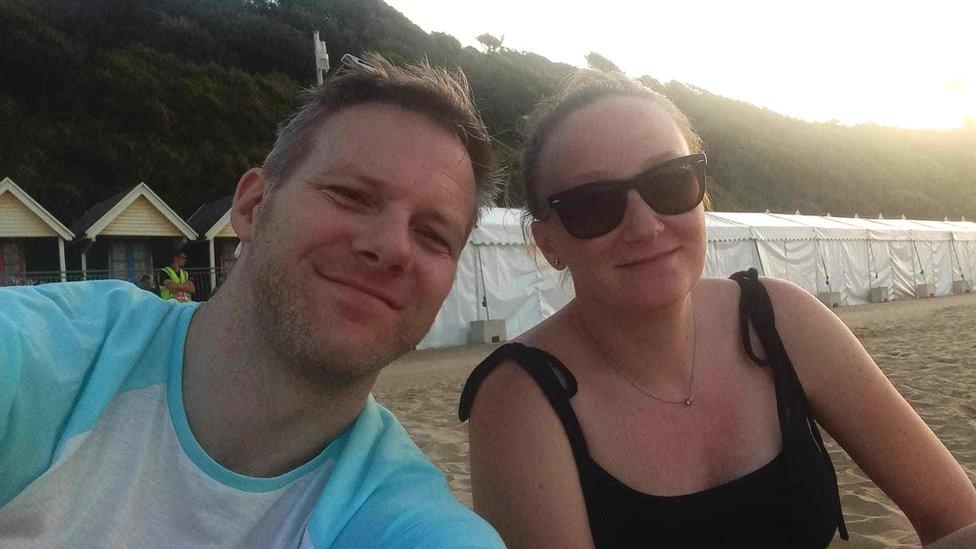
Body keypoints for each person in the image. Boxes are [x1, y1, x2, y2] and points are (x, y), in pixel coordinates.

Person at [0, 53, 503, 547]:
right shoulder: (49, 361)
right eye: (351, 195)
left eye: (433, 235)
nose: (393, 246)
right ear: (253, 206)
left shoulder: (406, 520)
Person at [458, 71, 976, 548]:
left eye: (670, 181)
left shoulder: (780, 320)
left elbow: (957, 515)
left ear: (701, 194)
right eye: (593, 204)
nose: (645, 225)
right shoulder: (521, 398)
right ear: (548, 241)